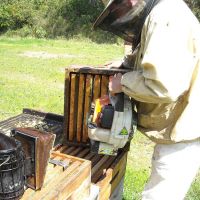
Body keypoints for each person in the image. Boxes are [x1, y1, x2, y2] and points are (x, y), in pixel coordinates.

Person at [93, 0, 200, 199]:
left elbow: (164, 85)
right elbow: (154, 54)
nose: (120, 13)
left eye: (120, 6)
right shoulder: (161, 11)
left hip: (185, 130)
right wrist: (125, 63)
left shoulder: (165, 17)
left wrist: (122, 83)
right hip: (179, 125)